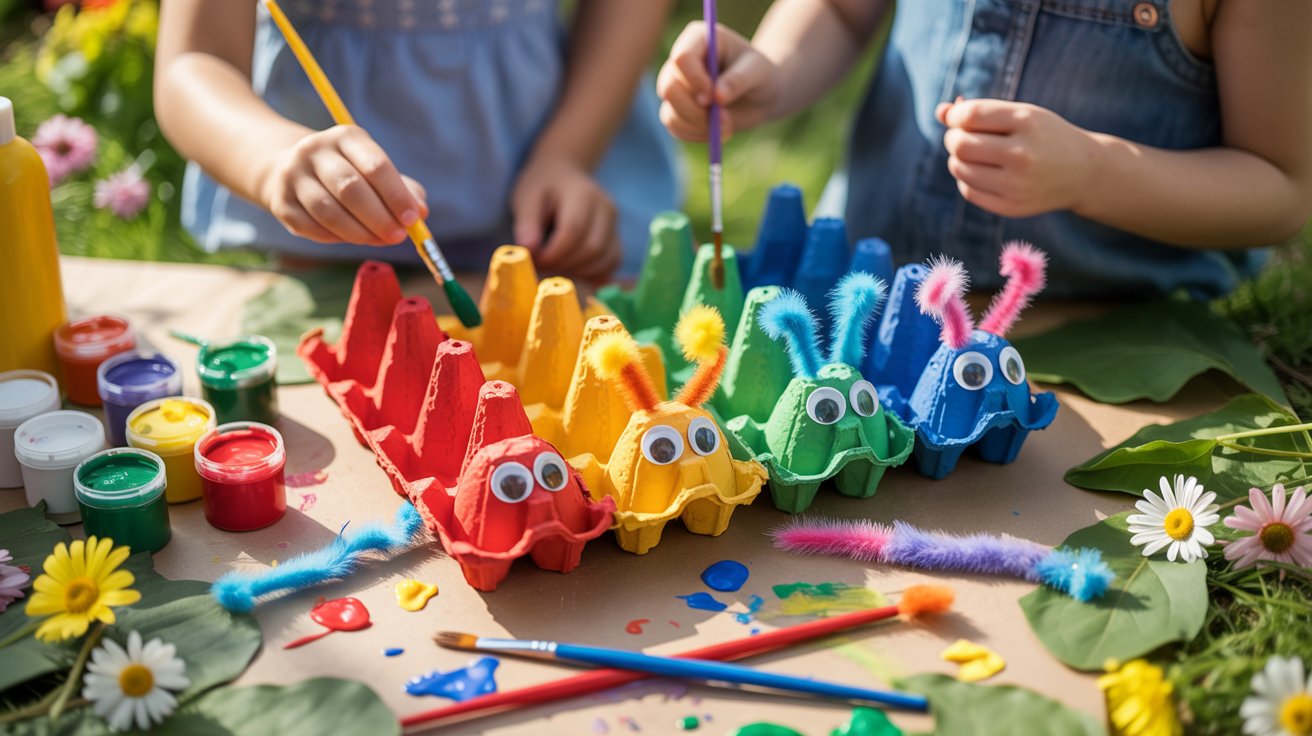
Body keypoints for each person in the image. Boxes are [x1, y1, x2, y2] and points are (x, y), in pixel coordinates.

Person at [657, 0, 1312, 298]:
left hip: (1111, 332)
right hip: (872, 289)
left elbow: (1279, 187)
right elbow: (838, 10)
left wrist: (1092, 171)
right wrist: (770, 72)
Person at [156, 0, 679, 282]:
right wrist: (271, 159)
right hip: (332, 242)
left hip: (544, 207)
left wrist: (567, 154)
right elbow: (194, 62)